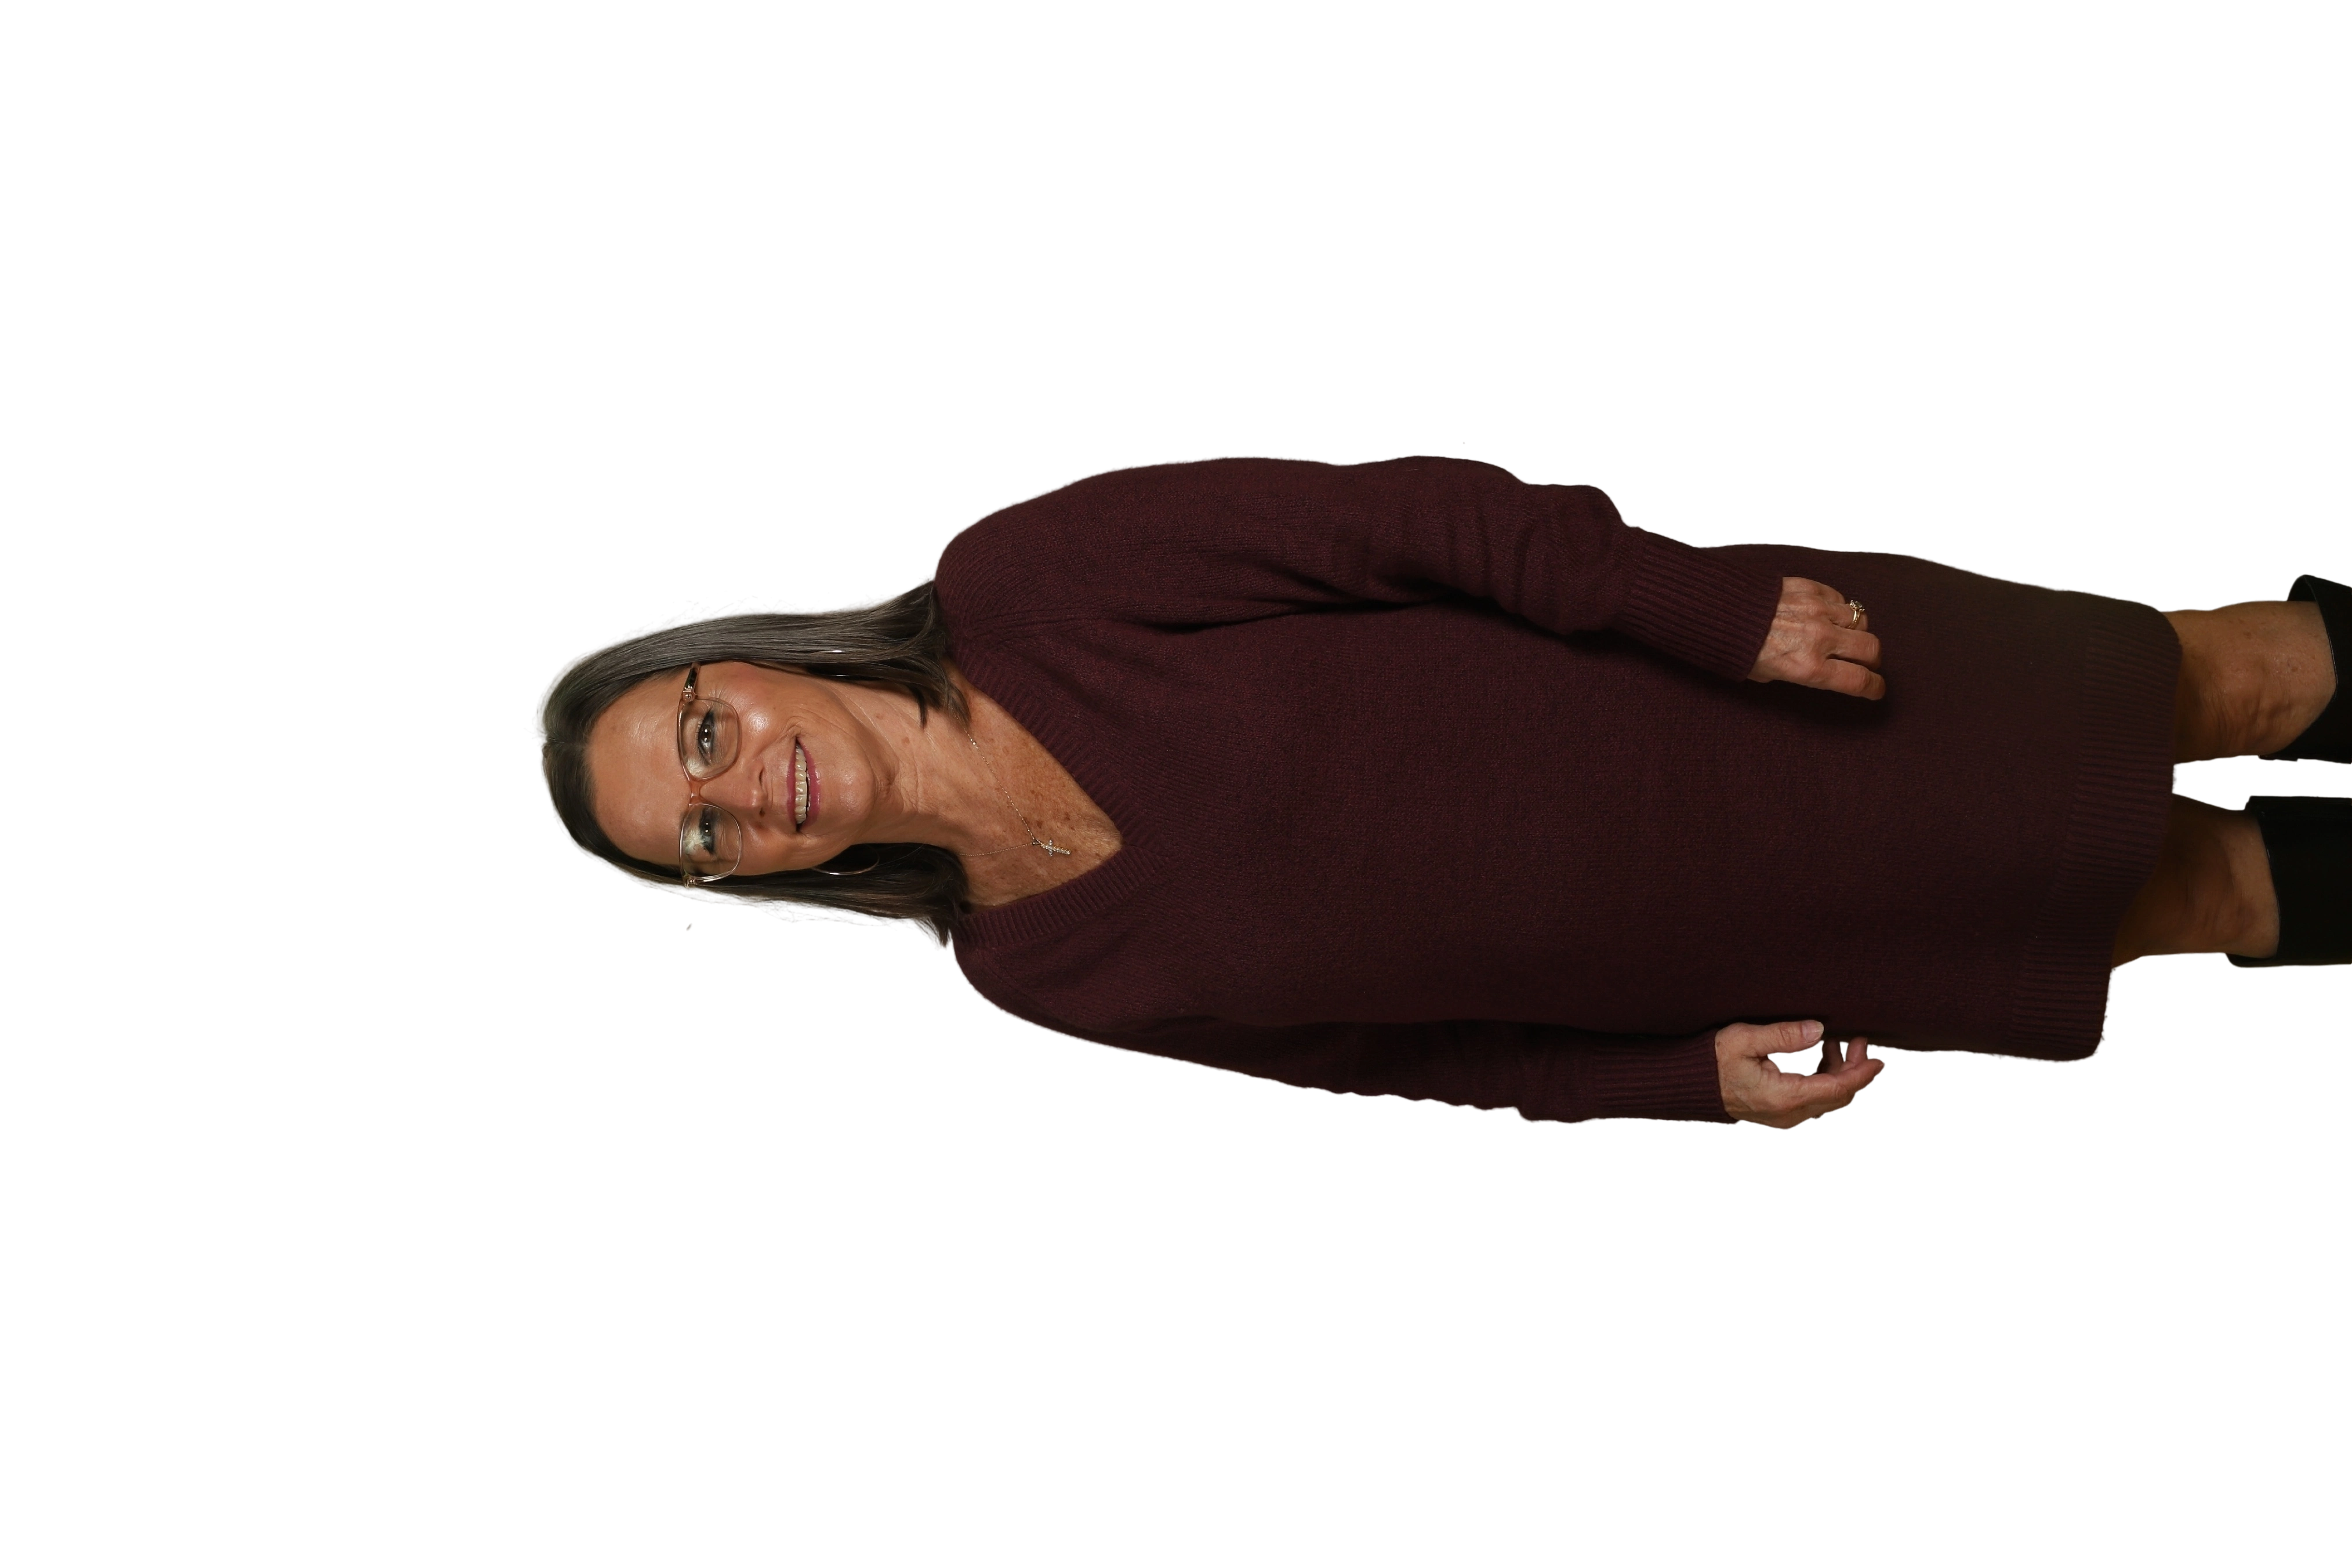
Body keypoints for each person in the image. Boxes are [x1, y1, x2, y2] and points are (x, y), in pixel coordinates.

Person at [522, 453, 2352, 1131]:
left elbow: (1417, 522)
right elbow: (1397, 1058)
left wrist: (1710, 610)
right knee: (2208, 904)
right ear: (750, 883)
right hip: (1780, 928)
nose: (747, 796)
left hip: (1772, 693)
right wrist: (1676, 1084)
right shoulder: (1025, 969)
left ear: (745, 656)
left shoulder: (1034, 578)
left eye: (703, 738)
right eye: (704, 838)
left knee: (2235, 685)